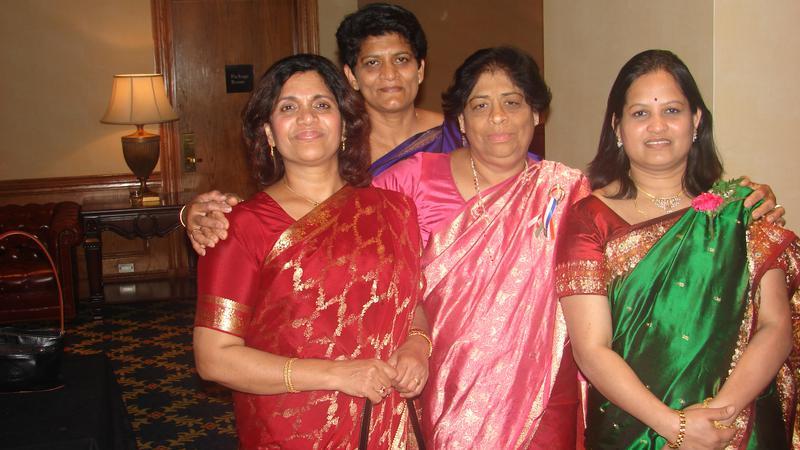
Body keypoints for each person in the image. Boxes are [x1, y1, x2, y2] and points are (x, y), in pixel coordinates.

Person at [555, 49, 799, 449]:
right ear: (617, 127)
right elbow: (592, 348)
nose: (657, 126)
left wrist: (717, 417)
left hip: (738, 428)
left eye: (672, 110)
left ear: (696, 120)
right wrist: (675, 427)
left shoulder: (741, 209)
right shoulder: (589, 219)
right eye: (640, 113)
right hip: (634, 431)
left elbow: (775, 327)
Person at [193, 53, 432, 449]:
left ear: (345, 124)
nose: (306, 118)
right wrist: (335, 374)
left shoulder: (394, 211)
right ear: (269, 132)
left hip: (391, 421)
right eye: (288, 108)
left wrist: (417, 346)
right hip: (293, 429)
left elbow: (412, 303)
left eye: (321, 105)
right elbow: (214, 358)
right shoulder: (241, 227)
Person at [373, 46, 588, 449]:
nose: (498, 117)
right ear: (461, 120)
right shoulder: (409, 182)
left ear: (536, 114)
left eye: (512, 102)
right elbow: (368, 273)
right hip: (439, 387)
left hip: (541, 396)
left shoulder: (564, 191)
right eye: (480, 105)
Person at [185, 3, 461, 254]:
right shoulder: (325, 142)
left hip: (460, 282)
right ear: (351, 76)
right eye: (372, 63)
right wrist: (196, 214)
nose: (389, 74)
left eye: (401, 60)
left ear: (420, 69)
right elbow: (284, 211)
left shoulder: (460, 135)